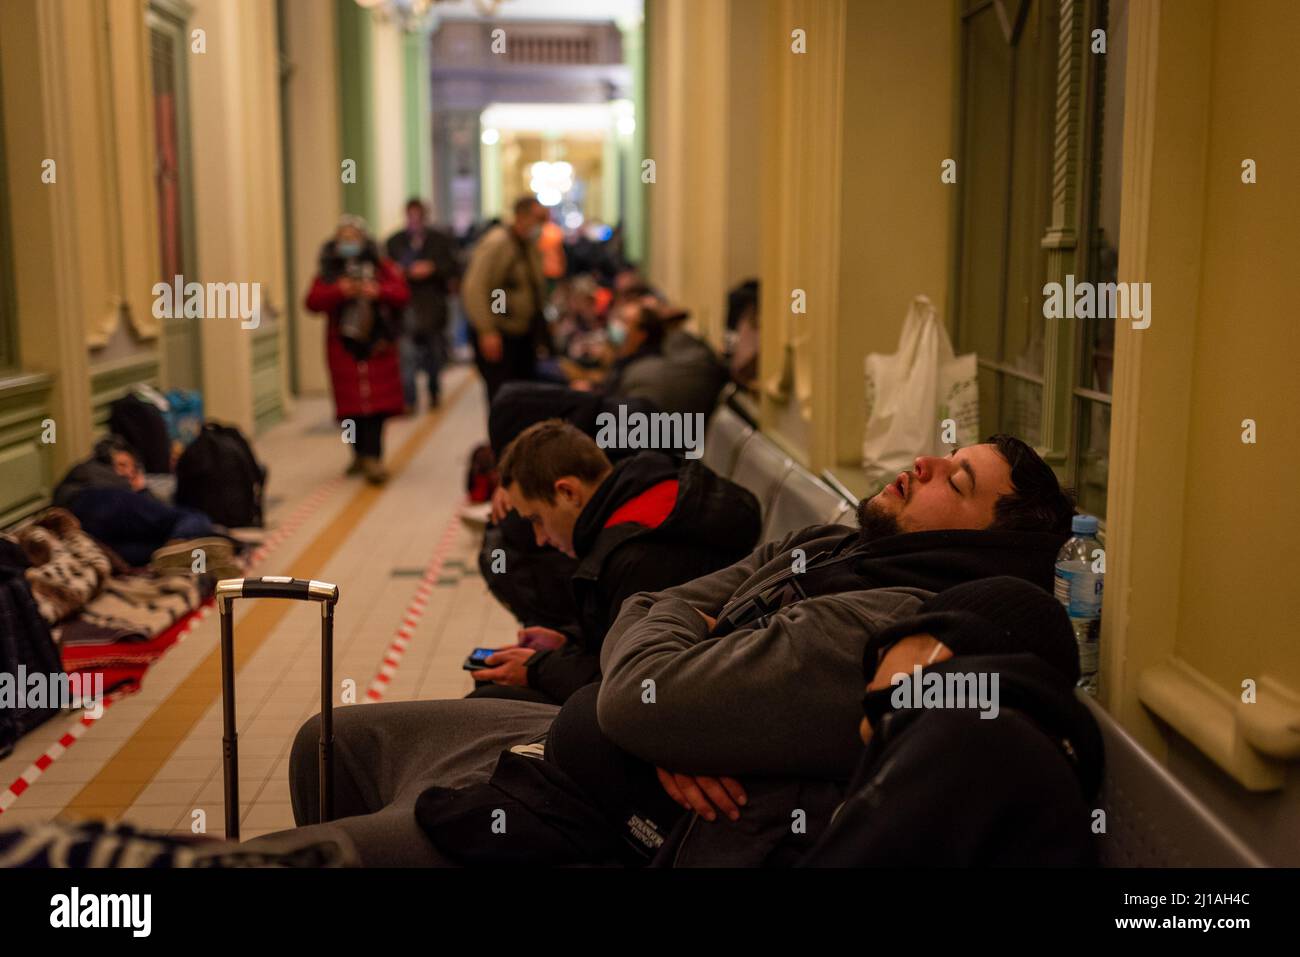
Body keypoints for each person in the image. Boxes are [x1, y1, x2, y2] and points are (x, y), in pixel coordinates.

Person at [262, 435, 1075, 866]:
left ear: (985, 545)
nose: (927, 461)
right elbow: (658, 618)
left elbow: (640, 678)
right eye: (949, 454)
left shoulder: (879, 620)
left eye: (957, 481)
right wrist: (671, 697)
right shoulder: (833, 542)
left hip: (589, 813)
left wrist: (665, 688)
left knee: (296, 854)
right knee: (327, 741)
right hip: (580, 743)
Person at [800, 576, 1102, 866]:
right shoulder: (1006, 743)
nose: (873, 669)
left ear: (937, 646)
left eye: (890, 643)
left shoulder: (972, 738)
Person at [467, 420, 761, 705]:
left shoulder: (639, 555)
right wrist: (567, 642)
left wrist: (539, 668)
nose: (540, 538)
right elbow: (618, 638)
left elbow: (628, 688)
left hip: (677, 708)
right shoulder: (652, 485)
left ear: (568, 492)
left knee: (487, 698)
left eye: (537, 520)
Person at [305, 216, 410, 484]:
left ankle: (373, 457)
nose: (349, 242)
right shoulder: (328, 271)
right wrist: (340, 291)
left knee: (376, 408)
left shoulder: (382, 267)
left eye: (354, 237)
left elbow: (401, 293)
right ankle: (358, 454)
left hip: (377, 346)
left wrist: (377, 291)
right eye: (344, 237)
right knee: (350, 407)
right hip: (343, 347)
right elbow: (312, 301)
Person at [53, 436, 240, 577]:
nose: (128, 472)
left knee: (147, 550)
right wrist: (140, 489)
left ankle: (186, 549)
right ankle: (191, 539)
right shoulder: (92, 473)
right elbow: (154, 510)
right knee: (190, 517)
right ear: (106, 461)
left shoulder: (81, 480)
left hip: (95, 534)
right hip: (98, 503)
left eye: (133, 469)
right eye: (122, 465)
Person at [460, 195, 550, 403]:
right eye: (539, 218)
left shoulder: (528, 244)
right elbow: (480, 287)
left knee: (524, 394)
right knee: (503, 394)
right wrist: (490, 329)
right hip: (503, 332)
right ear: (522, 216)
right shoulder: (499, 243)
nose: (542, 224)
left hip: (522, 331)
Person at [385, 199, 459, 411]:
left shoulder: (440, 240)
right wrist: (405, 272)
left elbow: (453, 269)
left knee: (434, 353)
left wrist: (433, 269)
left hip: (433, 305)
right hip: (406, 306)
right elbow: (387, 271)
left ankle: (434, 391)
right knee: (406, 355)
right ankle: (409, 399)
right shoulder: (395, 242)